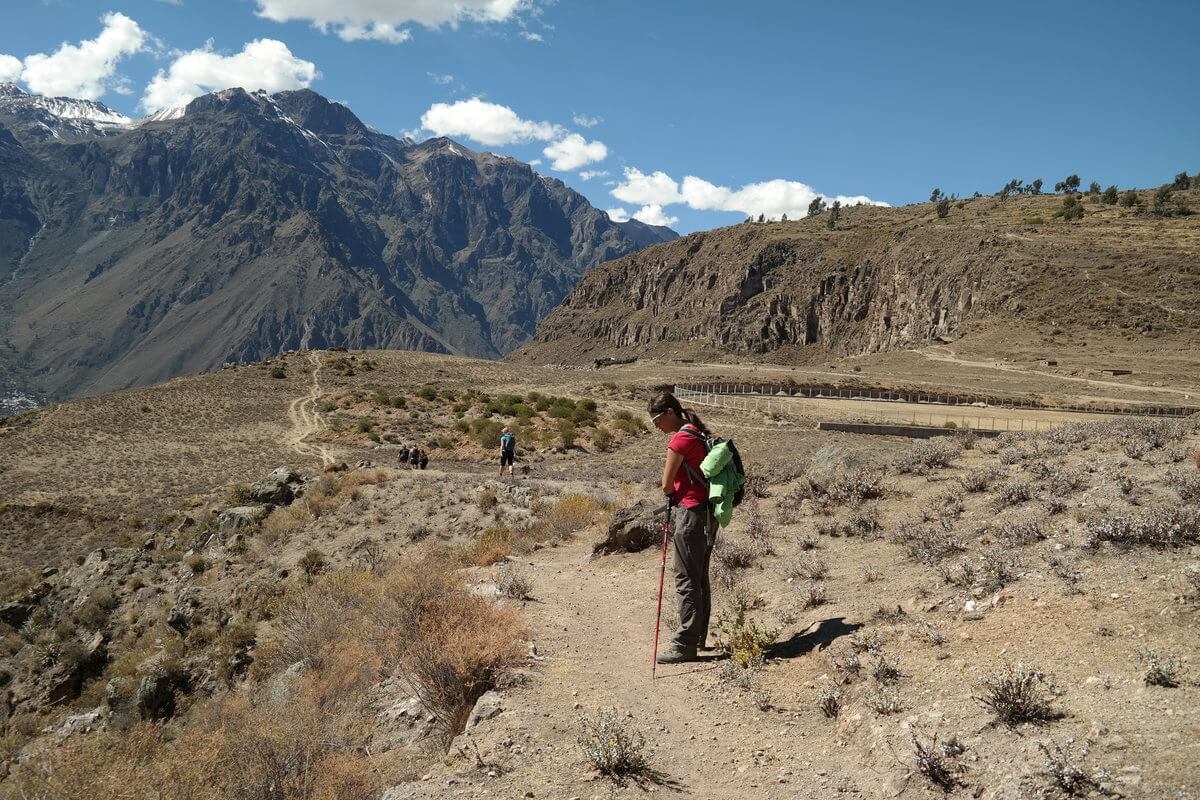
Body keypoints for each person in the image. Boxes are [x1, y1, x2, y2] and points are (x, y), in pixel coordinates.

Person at [649, 391, 718, 664]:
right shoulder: (697, 433)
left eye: (657, 419)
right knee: (698, 576)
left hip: (690, 514)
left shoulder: (680, 439)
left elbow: (666, 485)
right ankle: (697, 636)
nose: (656, 426)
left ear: (669, 412)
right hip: (707, 514)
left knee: (686, 579)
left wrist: (672, 491)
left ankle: (685, 645)